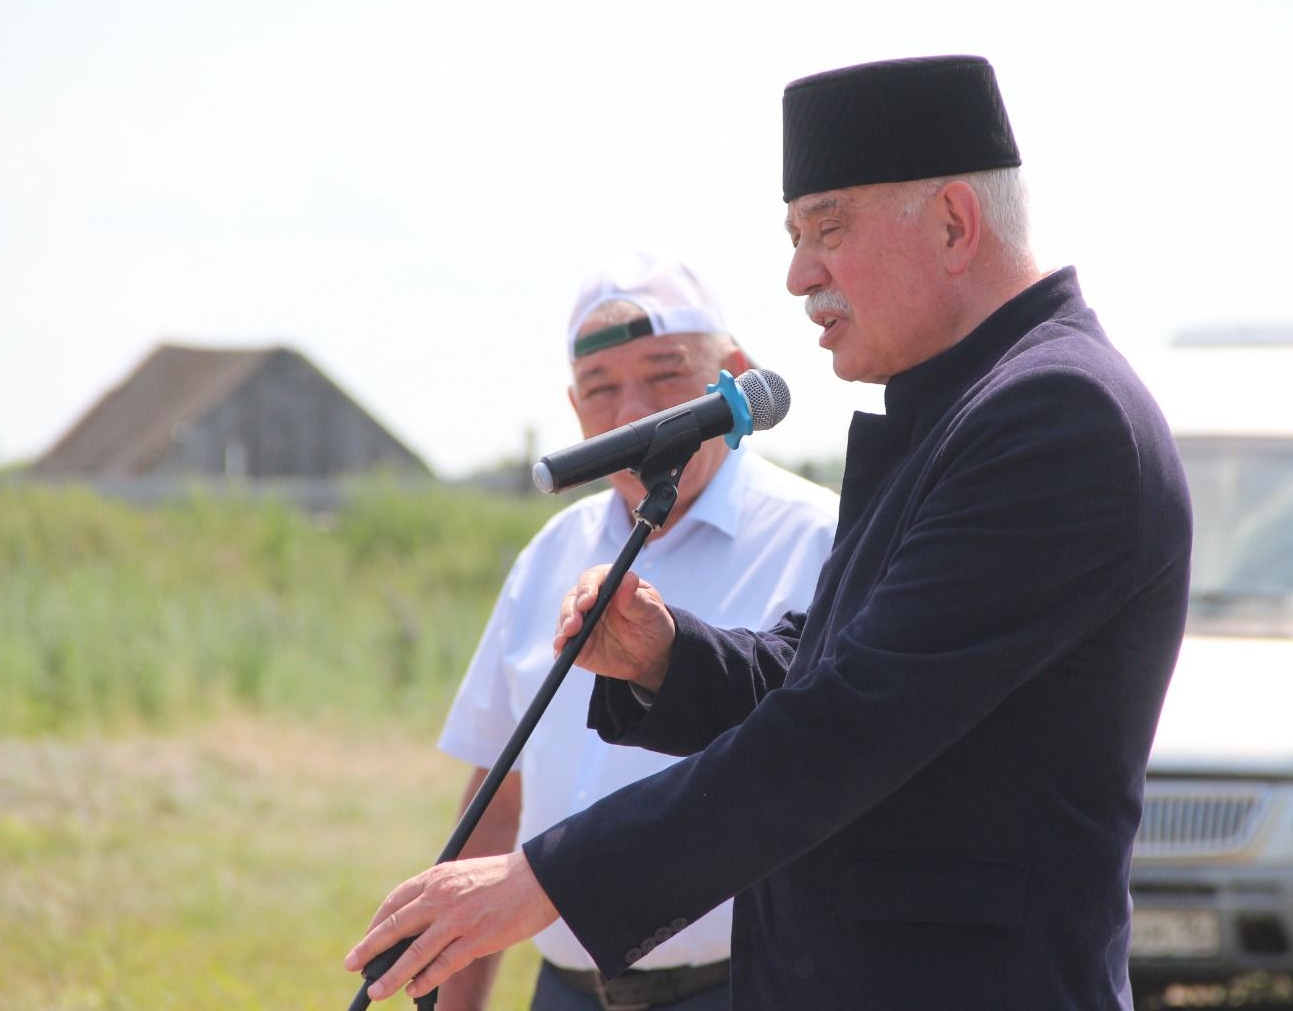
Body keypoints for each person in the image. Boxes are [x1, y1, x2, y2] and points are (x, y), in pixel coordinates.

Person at [347, 55, 1192, 1010]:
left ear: (955, 221)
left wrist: (543, 880)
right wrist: (673, 657)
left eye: (828, 228)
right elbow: (831, 670)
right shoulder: (968, 409)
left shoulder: (1056, 416)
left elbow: (851, 724)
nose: (799, 275)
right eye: (795, 236)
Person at [431, 253, 839, 1011]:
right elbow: (498, 790)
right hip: (566, 993)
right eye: (601, 389)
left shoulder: (822, 537)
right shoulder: (550, 552)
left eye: (664, 377)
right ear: (573, 406)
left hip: (748, 989)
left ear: (736, 375)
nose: (631, 417)